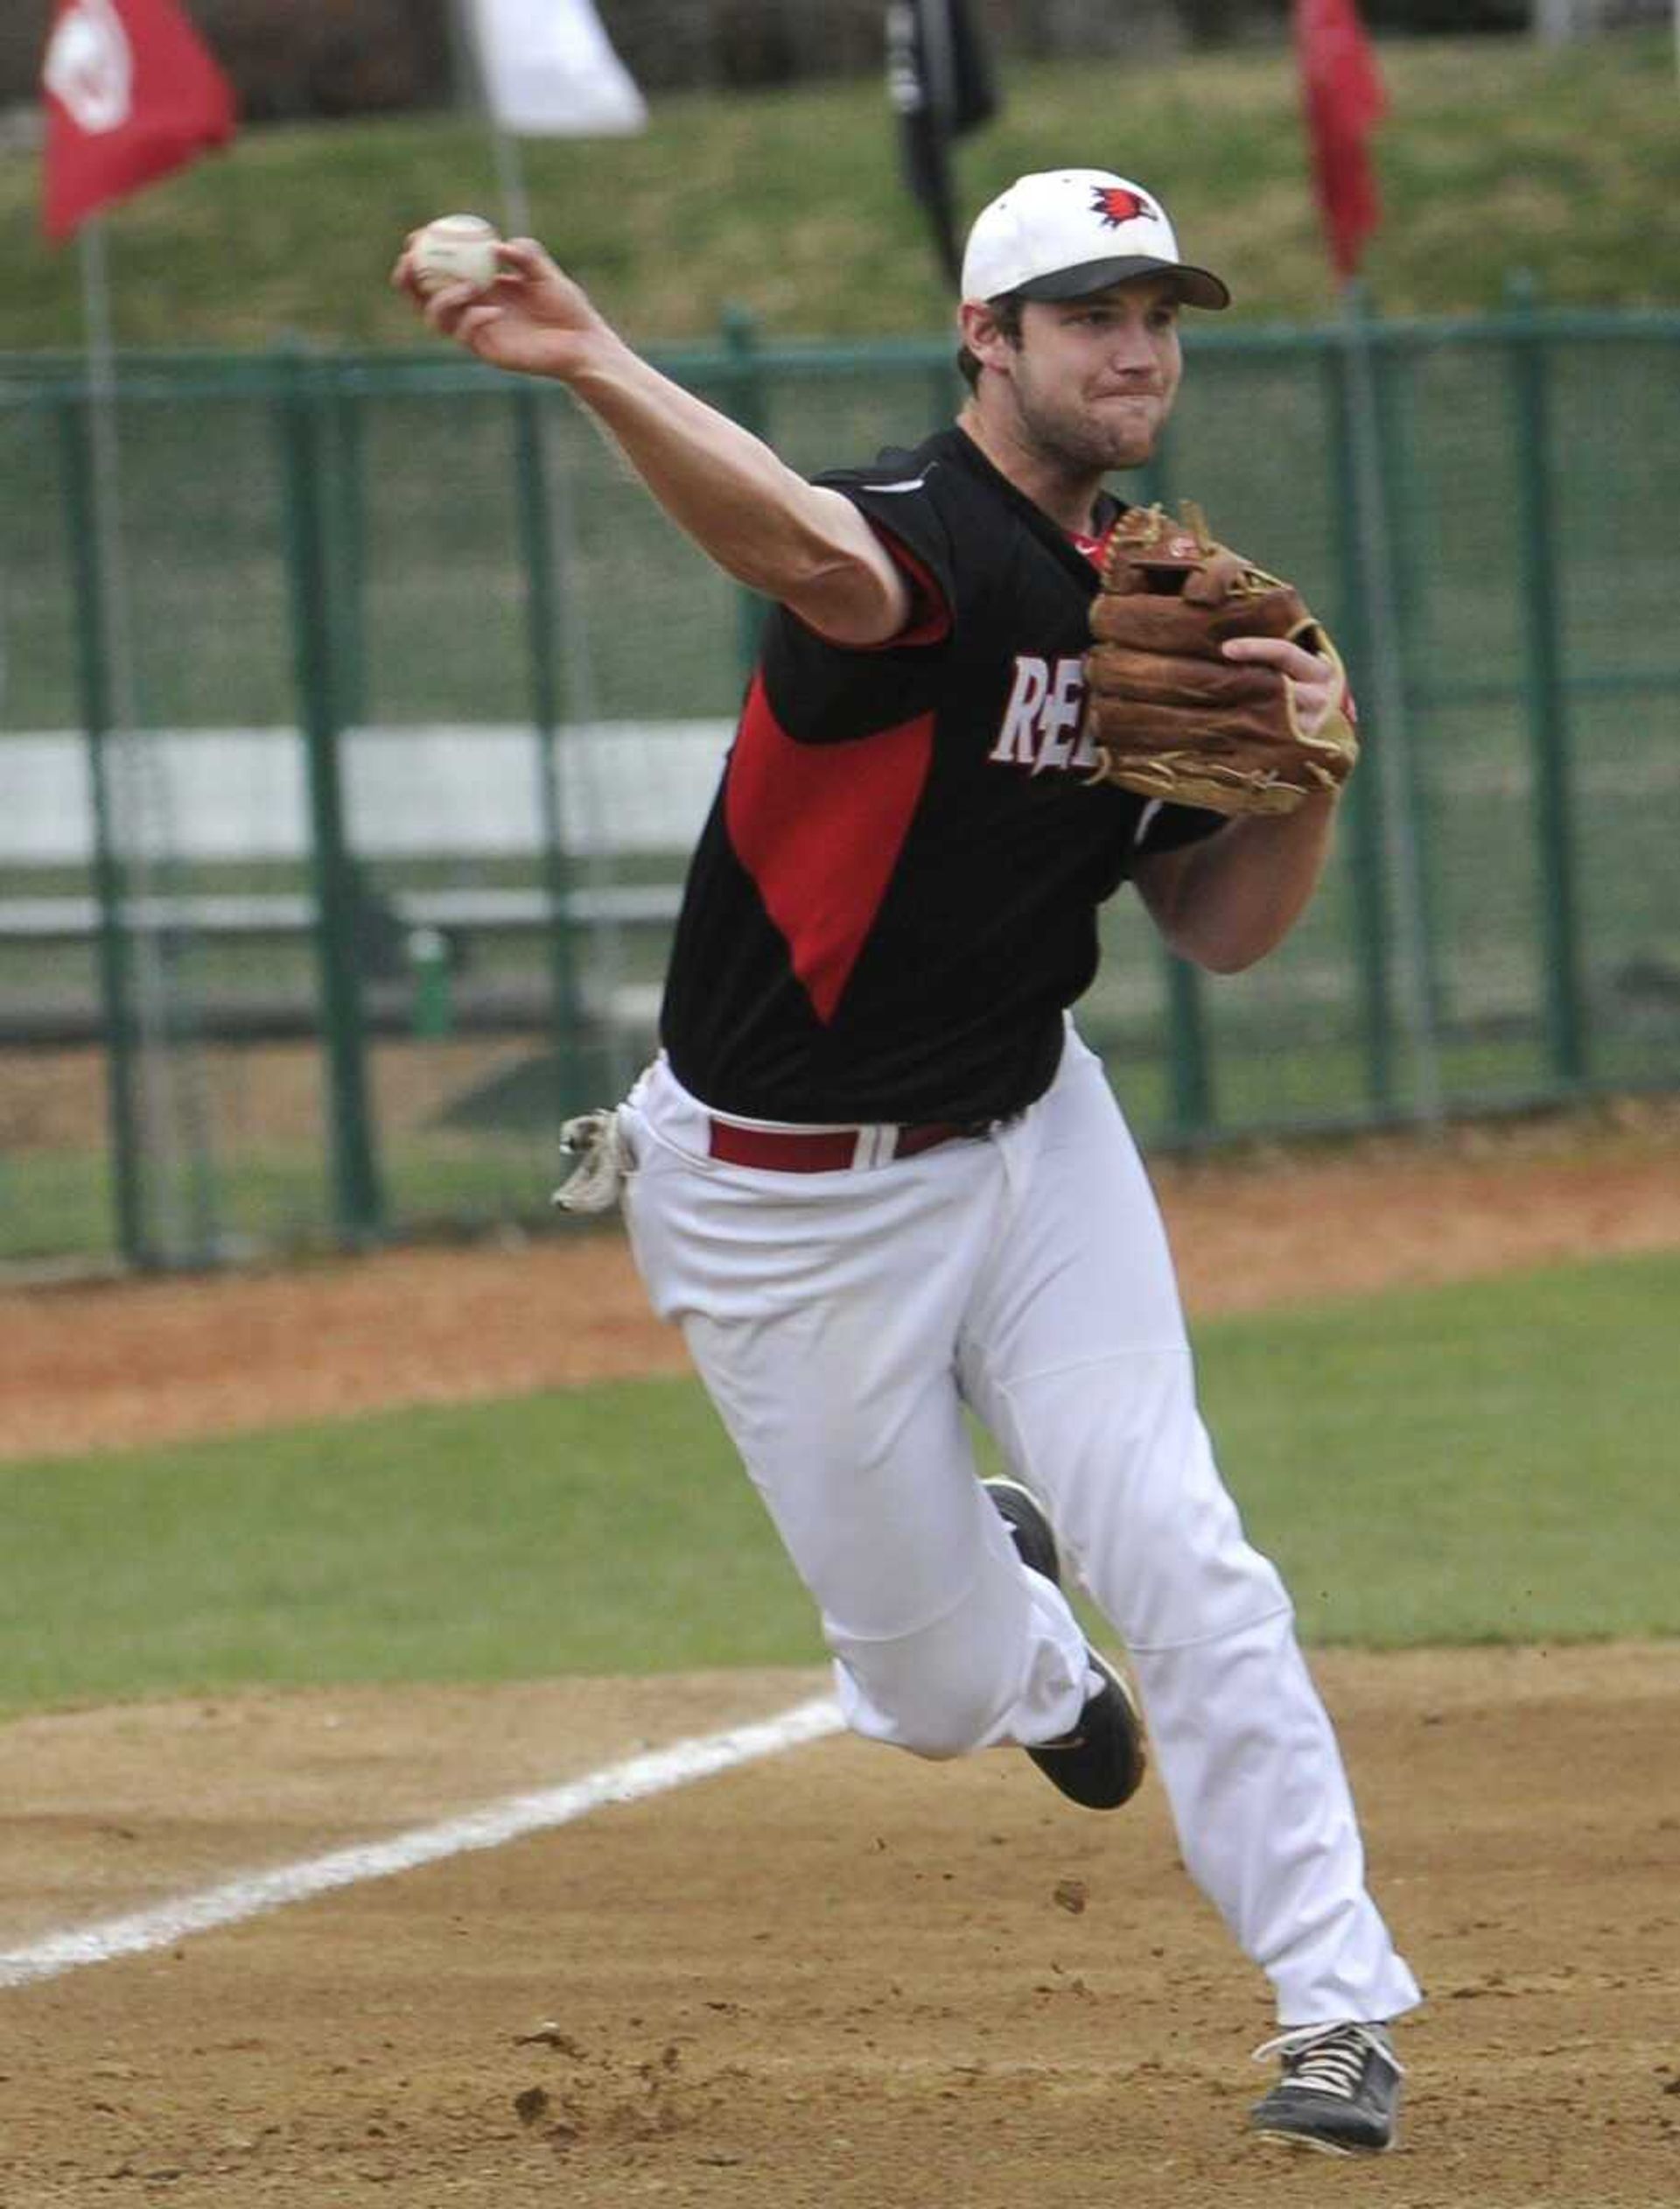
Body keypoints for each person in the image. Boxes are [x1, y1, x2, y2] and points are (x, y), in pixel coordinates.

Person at [394, 165, 1421, 2156]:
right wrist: (593, 354)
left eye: (1159, 313)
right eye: (1087, 312)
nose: (1135, 347)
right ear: (989, 340)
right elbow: (788, 537)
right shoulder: (922, 547)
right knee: (939, 1689)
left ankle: (1338, 2007)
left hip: (1035, 1138)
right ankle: (1021, 1639)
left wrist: (1312, 762)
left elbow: (1220, 929)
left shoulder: (1165, 600)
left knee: (1189, 1547)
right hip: (778, 1200)